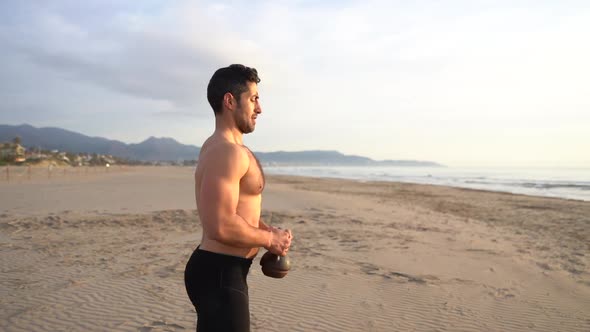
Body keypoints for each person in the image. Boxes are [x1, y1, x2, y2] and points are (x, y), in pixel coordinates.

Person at [184, 64, 293, 332]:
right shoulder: (227, 153)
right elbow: (220, 225)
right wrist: (269, 239)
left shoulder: (221, 147)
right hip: (220, 274)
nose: (260, 108)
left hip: (222, 271)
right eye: (254, 98)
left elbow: (236, 210)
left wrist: (268, 231)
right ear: (230, 101)